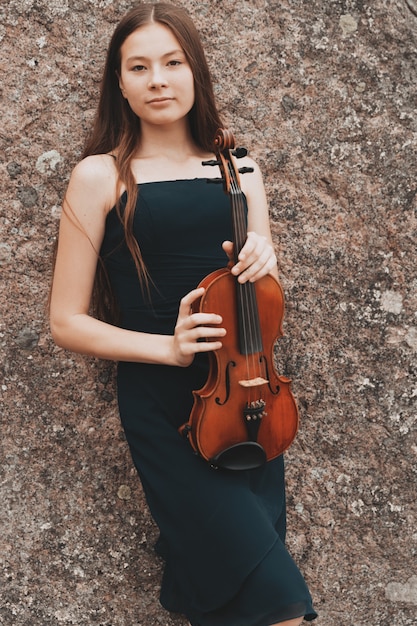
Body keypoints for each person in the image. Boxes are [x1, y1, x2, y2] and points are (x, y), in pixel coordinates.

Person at [49, 3, 317, 625]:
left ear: (195, 71)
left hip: (250, 409)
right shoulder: (98, 177)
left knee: (246, 602)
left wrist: (266, 260)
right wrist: (168, 349)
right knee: (282, 605)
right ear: (119, 82)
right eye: (138, 67)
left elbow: (262, 299)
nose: (158, 80)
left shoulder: (240, 169)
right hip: (166, 411)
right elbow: (65, 321)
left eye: (172, 62)